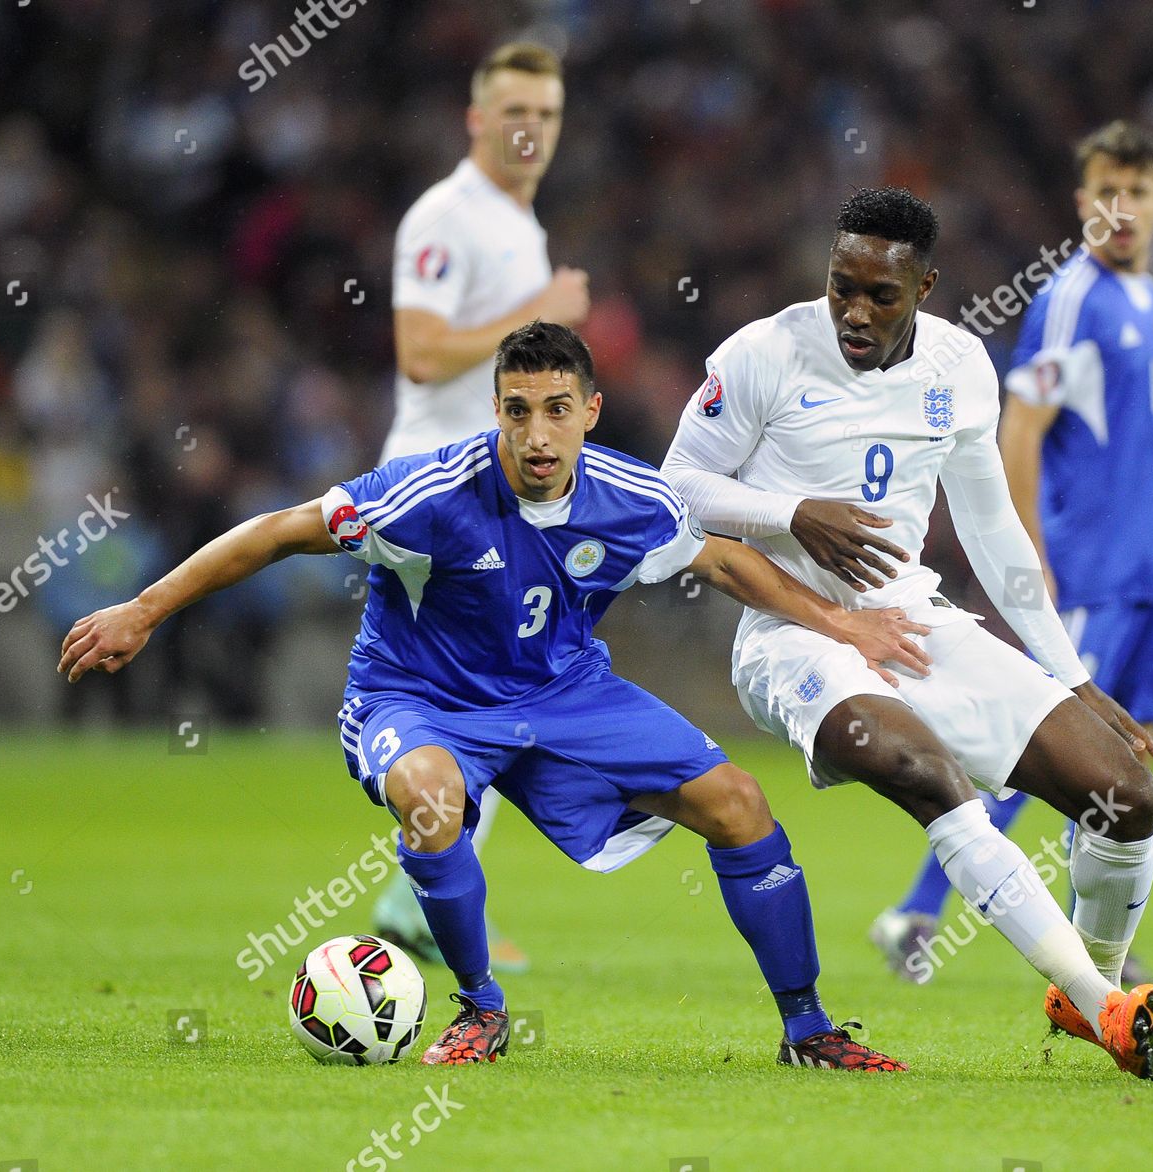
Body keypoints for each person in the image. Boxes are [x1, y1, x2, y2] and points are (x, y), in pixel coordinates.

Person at [59, 322, 926, 1071]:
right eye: (517, 411)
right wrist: (143, 609)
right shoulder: (428, 496)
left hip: (562, 693)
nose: (537, 435)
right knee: (433, 801)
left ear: (589, 411)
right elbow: (281, 531)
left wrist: (844, 627)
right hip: (418, 698)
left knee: (739, 803)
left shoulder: (632, 500)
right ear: (497, 413)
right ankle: (480, 1010)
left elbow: (726, 561)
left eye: (556, 410)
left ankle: (808, 1030)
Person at [661, 187, 1153, 1079]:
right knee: (929, 774)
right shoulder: (762, 354)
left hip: (914, 620)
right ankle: (1111, 1011)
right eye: (841, 288)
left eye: (882, 295)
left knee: (1126, 798)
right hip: (795, 639)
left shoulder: (959, 367)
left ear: (926, 287)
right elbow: (675, 489)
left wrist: (1068, 677)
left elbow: (992, 532)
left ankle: (1087, 990)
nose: (855, 313)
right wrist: (793, 511)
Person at [871, 122, 1153, 990]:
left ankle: (1092, 934)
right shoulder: (1074, 297)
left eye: (1138, 193)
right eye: (1107, 191)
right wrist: (1033, 561)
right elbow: (1021, 426)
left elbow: (1127, 433)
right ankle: (917, 913)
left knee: (1122, 760)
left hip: (1148, 574)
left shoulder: (1148, 302)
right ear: (1081, 202)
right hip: (1089, 570)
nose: (1123, 209)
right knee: (1045, 745)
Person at [375, 41, 594, 968]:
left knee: (502, 693)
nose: (529, 129)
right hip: (437, 492)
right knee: (508, 692)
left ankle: (416, 896)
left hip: (485, 497)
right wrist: (541, 306)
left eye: (544, 113)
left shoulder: (518, 221)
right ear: (475, 118)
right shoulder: (445, 216)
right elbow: (420, 353)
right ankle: (417, 896)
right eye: (513, 111)